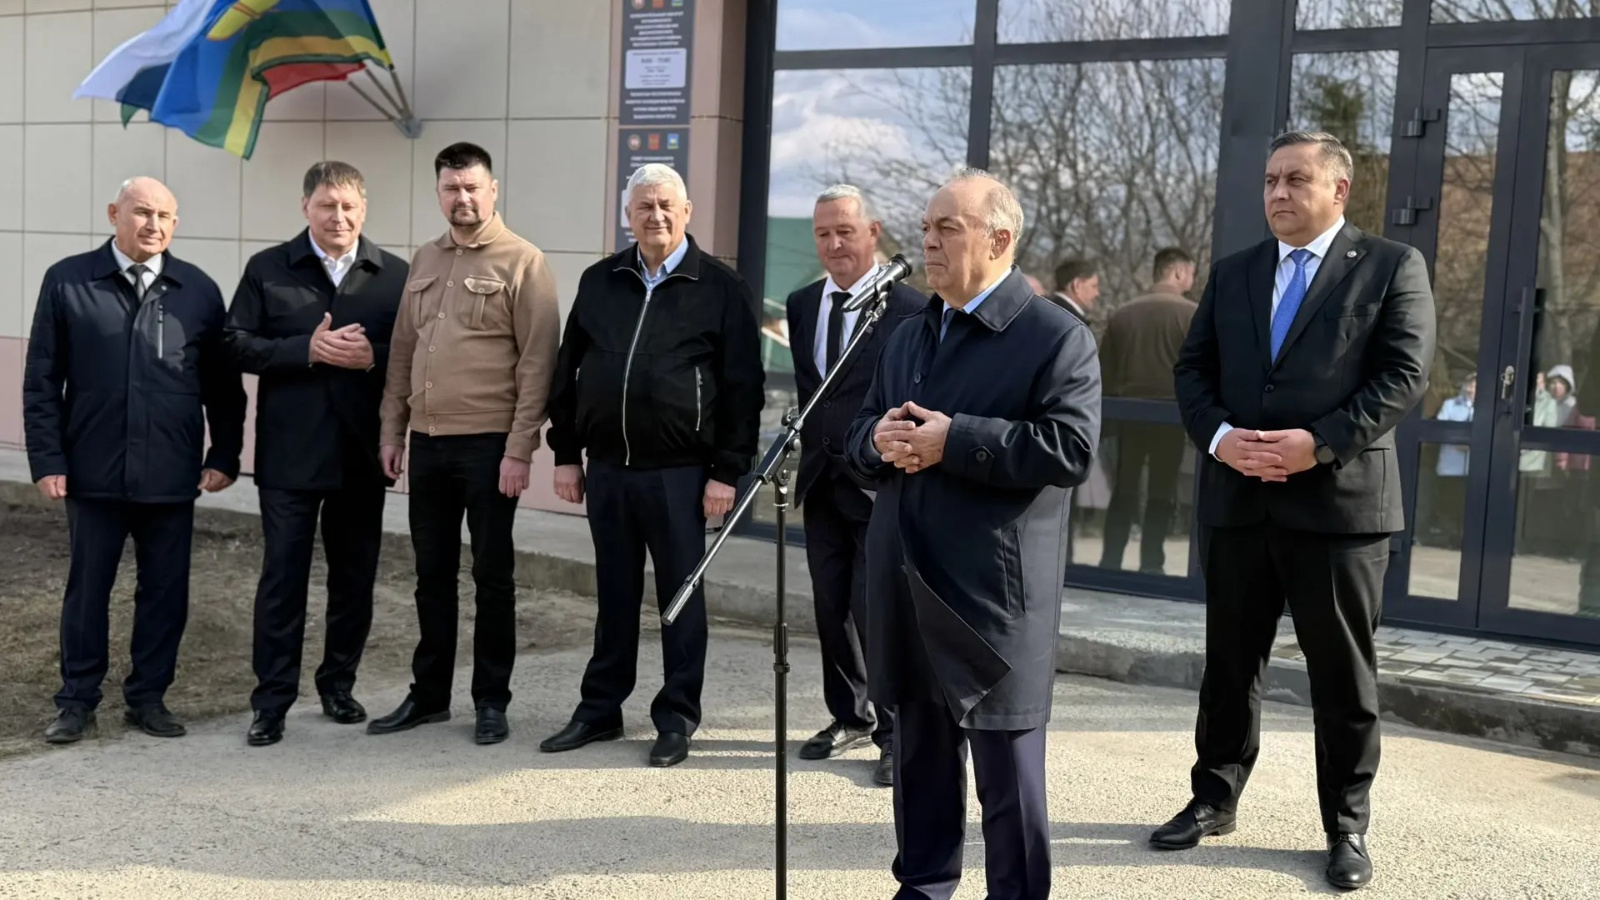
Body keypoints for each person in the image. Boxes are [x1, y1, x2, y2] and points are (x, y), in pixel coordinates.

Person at [1161, 131, 1435, 891]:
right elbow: (1193, 371)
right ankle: (1213, 799)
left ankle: (1346, 826)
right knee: (1229, 667)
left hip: (1339, 510)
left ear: (1338, 190)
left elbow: (1403, 375)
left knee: (1343, 678)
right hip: (1239, 502)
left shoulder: (1390, 266)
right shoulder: (1235, 272)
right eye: (1270, 180)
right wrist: (1221, 439)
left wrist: (1318, 444)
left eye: (1296, 180)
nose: (1278, 193)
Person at [845, 169, 1100, 899]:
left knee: (1008, 786)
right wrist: (876, 441)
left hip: (993, 601)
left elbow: (1070, 450)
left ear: (999, 238)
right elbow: (857, 433)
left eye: (947, 228)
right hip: (907, 583)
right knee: (919, 766)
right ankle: (924, 887)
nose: (928, 241)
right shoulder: (907, 334)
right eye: (927, 227)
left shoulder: (1055, 335)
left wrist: (954, 441)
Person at [540, 164, 765, 769]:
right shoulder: (600, 280)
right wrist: (566, 454)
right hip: (608, 470)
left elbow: (743, 389)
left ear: (687, 212)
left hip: (681, 474)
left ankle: (676, 718)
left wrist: (727, 471)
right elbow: (567, 371)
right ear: (628, 215)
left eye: (667, 205)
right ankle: (600, 709)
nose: (656, 216)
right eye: (644, 206)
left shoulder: (721, 287)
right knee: (614, 594)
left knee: (679, 599)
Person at [24, 176, 247, 745]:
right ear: (113, 214)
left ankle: (148, 699)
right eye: (143, 212)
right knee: (87, 592)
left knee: (165, 592)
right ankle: (76, 701)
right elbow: (42, 379)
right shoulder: (68, 281)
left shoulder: (197, 290)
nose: (154, 225)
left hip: (170, 473)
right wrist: (48, 458)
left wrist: (224, 453)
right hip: (92, 472)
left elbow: (223, 387)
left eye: (165, 216)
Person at [372, 142, 561, 745]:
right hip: (427, 444)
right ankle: (429, 696)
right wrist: (392, 431)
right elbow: (403, 351)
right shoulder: (425, 259)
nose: (463, 198)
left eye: (472, 187)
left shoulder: (523, 261)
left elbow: (538, 364)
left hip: (488, 447)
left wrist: (519, 448)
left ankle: (490, 701)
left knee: (492, 577)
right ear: (439, 192)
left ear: (493, 190)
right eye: (452, 188)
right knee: (431, 577)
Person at [225, 162, 409, 747]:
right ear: (305, 205)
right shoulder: (268, 268)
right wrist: (305, 349)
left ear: (364, 208)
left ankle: (338, 685)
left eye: (349, 206)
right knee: (283, 581)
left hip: (360, 455)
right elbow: (235, 344)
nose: (339, 216)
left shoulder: (395, 275)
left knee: (353, 581)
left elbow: (416, 352)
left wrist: (373, 357)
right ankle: (271, 702)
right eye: (327, 205)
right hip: (289, 456)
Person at [783, 184, 924, 787]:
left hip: (880, 485)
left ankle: (895, 732)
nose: (835, 243)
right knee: (831, 605)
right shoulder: (801, 304)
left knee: (880, 610)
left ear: (873, 232)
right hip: (821, 480)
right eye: (823, 233)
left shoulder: (910, 308)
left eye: (845, 231)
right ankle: (849, 714)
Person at [1097, 247, 1198, 575]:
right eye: (1190, 273)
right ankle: (1152, 564)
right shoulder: (1192, 315)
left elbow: (1105, 372)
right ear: (1179, 272)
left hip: (1127, 416)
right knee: (1161, 492)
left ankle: (1110, 560)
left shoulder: (1122, 314)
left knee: (1124, 489)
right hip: (1171, 418)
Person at [1048, 257, 1100, 326]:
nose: (1097, 293)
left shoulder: (1044, 309)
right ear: (1077, 285)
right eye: (1093, 286)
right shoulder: (1072, 322)